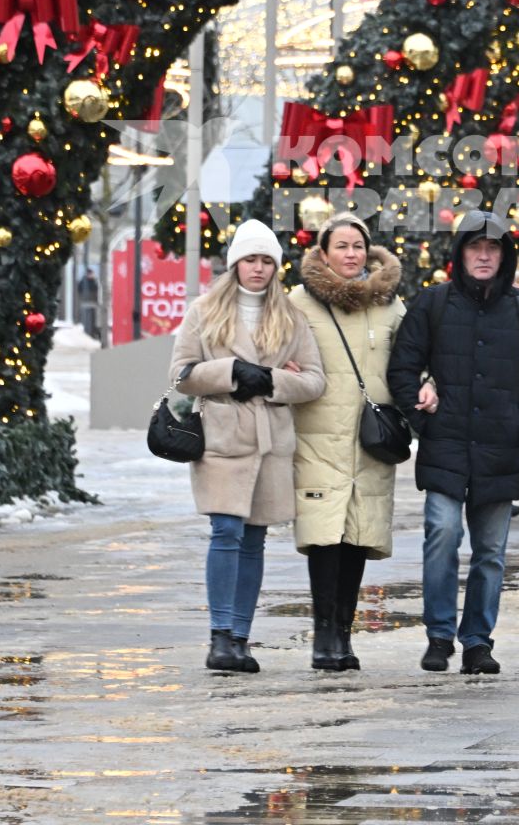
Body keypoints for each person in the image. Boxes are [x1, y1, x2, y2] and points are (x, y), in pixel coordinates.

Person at [387, 211, 519, 675]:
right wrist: (422, 418)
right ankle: (439, 636)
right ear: (460, 253)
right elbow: (402, 369)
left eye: (493, 248)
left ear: (505, 257)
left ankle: (478, 641)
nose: (484, 256)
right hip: (445, 444)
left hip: (500, 448)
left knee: (490, 553)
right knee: (442, 535)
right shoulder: (434, 304)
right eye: (475, 247)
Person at [171, 219, 327, 673]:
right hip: (222, 437)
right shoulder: (204, 311)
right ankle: (220, 637)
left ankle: (240, 637)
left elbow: (315, 381)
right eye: (249, 259)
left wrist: (273, 380)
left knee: (254, 538)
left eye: (266, 261)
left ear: (276, 267)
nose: (257, 269)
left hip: (271, 441)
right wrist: (230, 373)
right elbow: (180, 372)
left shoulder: (291, 317)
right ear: (234, 263)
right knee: (226, 531)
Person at [287, 214, 408, 671]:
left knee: (357, 536)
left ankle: (343, 633)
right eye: (341, 246)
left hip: (370, 438)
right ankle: (323, 637)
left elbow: (409, 360)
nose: (351, 254)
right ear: (323, 252)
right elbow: (276, 349)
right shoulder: (298, 303)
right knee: (325, 536)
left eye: (358, 245)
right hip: (317, 435)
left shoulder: (391, 305)